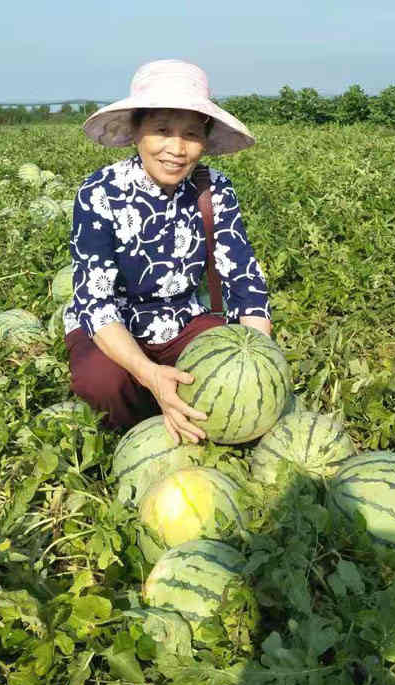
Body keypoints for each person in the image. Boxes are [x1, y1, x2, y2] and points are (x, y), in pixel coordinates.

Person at [63, 60, 272, 445]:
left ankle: (189, 423)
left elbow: (244, 279)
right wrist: (147, 372)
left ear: (205, 141)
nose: (176, 149)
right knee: (104, 383)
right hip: (112, 327)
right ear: (137, 132)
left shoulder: (214, 189)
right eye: (162, 130)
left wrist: (257, 364)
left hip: (183, 319)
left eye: (191, 135)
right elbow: (96, 302)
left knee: (223, 373)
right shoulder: (99, 192)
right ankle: (139, 433)